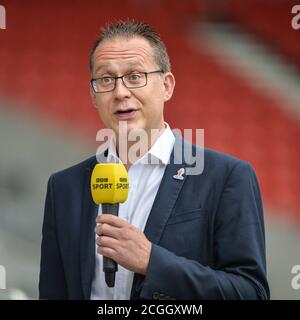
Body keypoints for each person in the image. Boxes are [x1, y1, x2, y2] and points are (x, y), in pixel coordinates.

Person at [39, 20, 270, 300]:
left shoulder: (226, 177)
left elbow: (251, 293)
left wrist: (152, 262)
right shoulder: (64, 187)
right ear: (93, 95)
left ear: (167, 86)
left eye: (135, 76)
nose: (120, 92)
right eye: (106, 79)